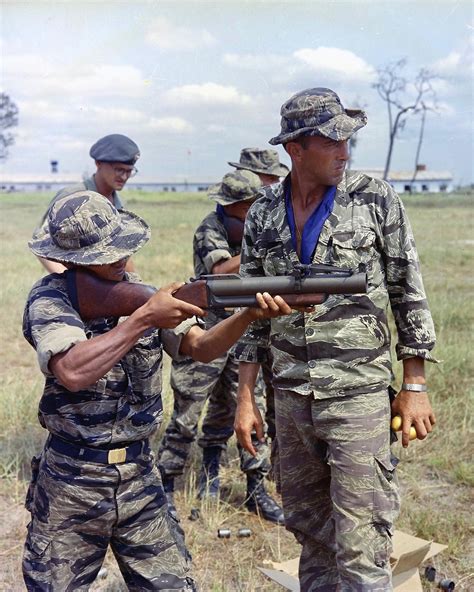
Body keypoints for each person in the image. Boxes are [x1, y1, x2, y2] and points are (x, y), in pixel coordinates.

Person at [22, 190, 291, 591]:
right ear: (75, 259)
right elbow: (73, 370)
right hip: (71, 482)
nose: (119, 258)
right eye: (104, 253)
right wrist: (143, 319)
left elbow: (201, 347)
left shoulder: (142, 294)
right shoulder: (50, 300)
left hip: (140, 476)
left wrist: (248, 313)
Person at [234, 88, 437, 592]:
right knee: (310, 534)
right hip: (290, 399)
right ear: (295, 149)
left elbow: (406, 288)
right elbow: (250, 317)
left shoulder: (374, 198)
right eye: (332, 142)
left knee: (362, 542)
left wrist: (414, 384)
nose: (345, 152)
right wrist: (245, 399)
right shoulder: (261, 213)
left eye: (349, 141)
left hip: (359, 399)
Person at [157, 167, 285, 524]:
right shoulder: (209, 229)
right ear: (232, 208)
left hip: (245, 330)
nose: (254, 215)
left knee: (249, 407)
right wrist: (257, 247)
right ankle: (165, 483)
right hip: (206, 331)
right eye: (248, 210)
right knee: (187, 414)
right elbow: (223, 267)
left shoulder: (256, 226)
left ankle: (256, 487)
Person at [36, 133, 140, 274]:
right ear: (98, 163)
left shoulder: (116, 202)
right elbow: (41, 244)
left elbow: (122, 253)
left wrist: (133, 285)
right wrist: (71, 282)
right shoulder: (72, 197)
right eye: (119, 170)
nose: (124, 177)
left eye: (129, 171)